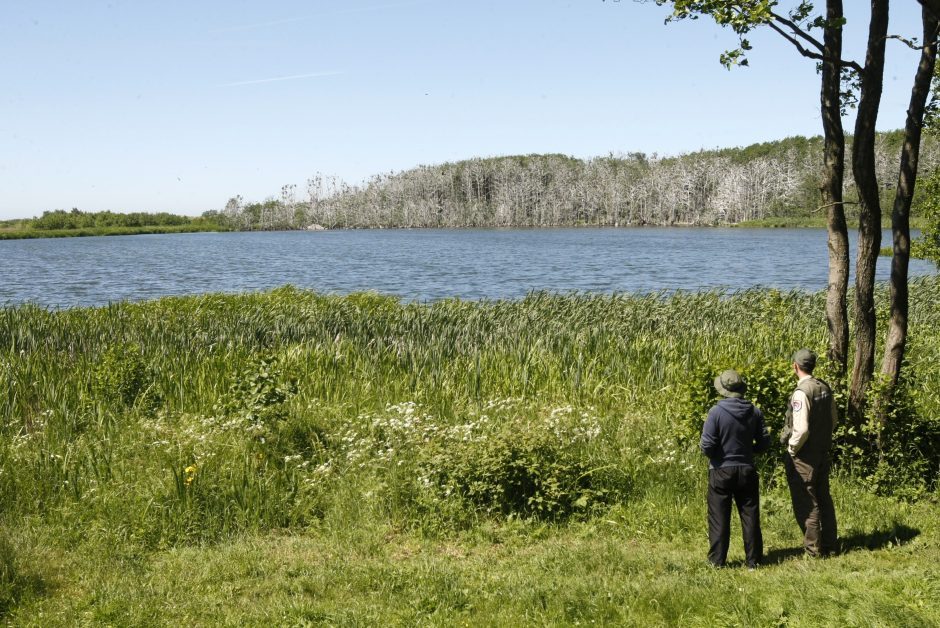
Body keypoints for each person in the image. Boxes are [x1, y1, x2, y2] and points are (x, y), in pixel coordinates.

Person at [701, 369, 771, 568]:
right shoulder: (755, 411)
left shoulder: (716, 412)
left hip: (721, 470)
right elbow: (765, 442)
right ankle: (753, 561)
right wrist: (751, 451)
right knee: (750, 515)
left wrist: (716, 457)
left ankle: (717, 561)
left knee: (719, 518)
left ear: (722, 390)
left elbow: (706, 445)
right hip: (747, 468)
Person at [782, 348, 839, 557]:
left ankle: (813, 549)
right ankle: (831, 544)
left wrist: (792, 450)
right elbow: (833, 420)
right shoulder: (824, 386)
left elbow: (801, 429)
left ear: (795, 366)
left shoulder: (801, 392)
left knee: (808, 502)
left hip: (804, 456)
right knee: (824, 498)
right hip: (823, 451)